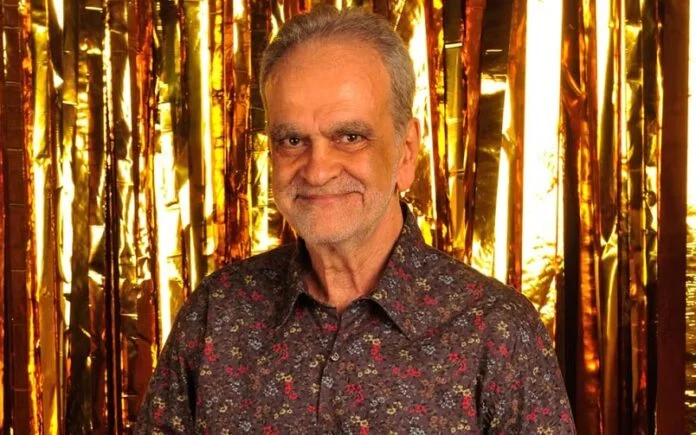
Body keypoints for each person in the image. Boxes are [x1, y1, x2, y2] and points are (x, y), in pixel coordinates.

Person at [136, 6, 575, 434]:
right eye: (293, 140)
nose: (317, 170)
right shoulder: (218, 312)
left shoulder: (497, 331)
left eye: (350, 136)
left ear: (406, 152)